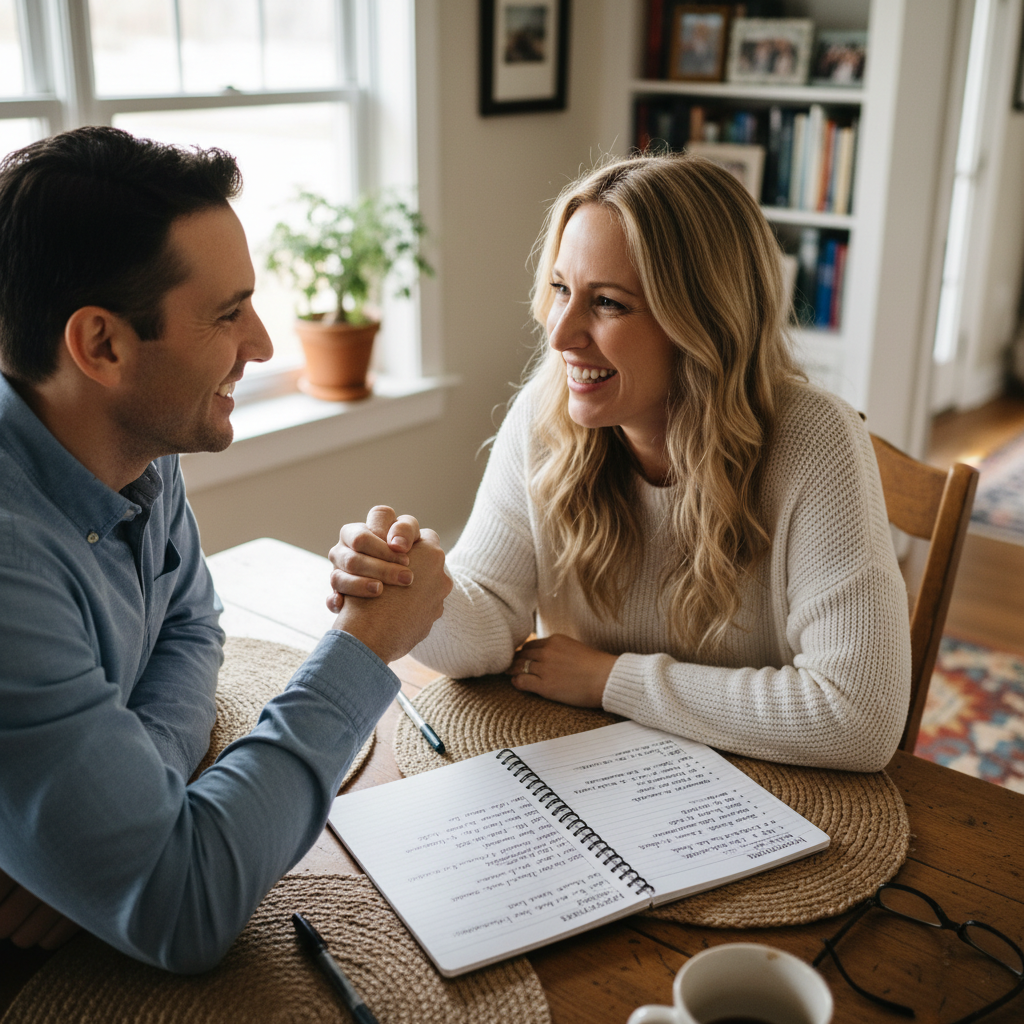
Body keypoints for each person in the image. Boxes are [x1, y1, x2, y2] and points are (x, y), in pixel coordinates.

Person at [0, 127, 450, 973]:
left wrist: (114, 816)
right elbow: (183, 907)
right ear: (101, 345)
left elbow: (192, 627)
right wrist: (364, 647)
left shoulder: (130, 442)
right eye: (226, 314)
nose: (264, 344)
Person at [328, 153, 911, 774]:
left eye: (607, 302)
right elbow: (490, 626)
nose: (560, 334)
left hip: (773, 792)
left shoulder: (817, 442)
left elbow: (858, 719)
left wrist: (612, 680)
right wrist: (414, 586)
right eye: (560, 289)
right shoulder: (545, 412)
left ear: (704, 321)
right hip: (603, 781)